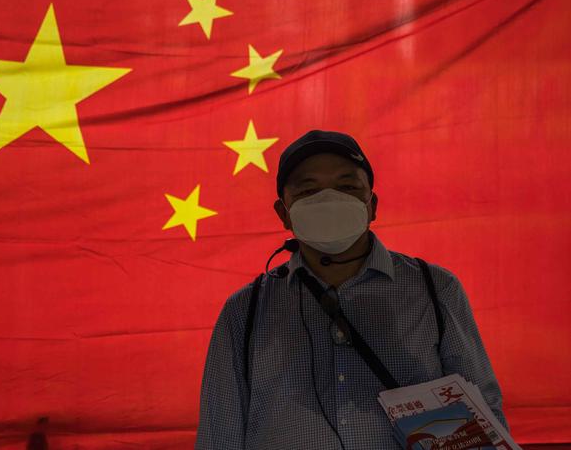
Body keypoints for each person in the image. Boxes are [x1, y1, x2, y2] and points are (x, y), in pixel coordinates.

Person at [195, 130, 507, 449]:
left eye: (347, 187)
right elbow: (220, 433)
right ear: (283, 213)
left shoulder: (435, 288)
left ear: (372, 205)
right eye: (309, 190)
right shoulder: (245, 311)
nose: (329, 200)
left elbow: (484, 414)